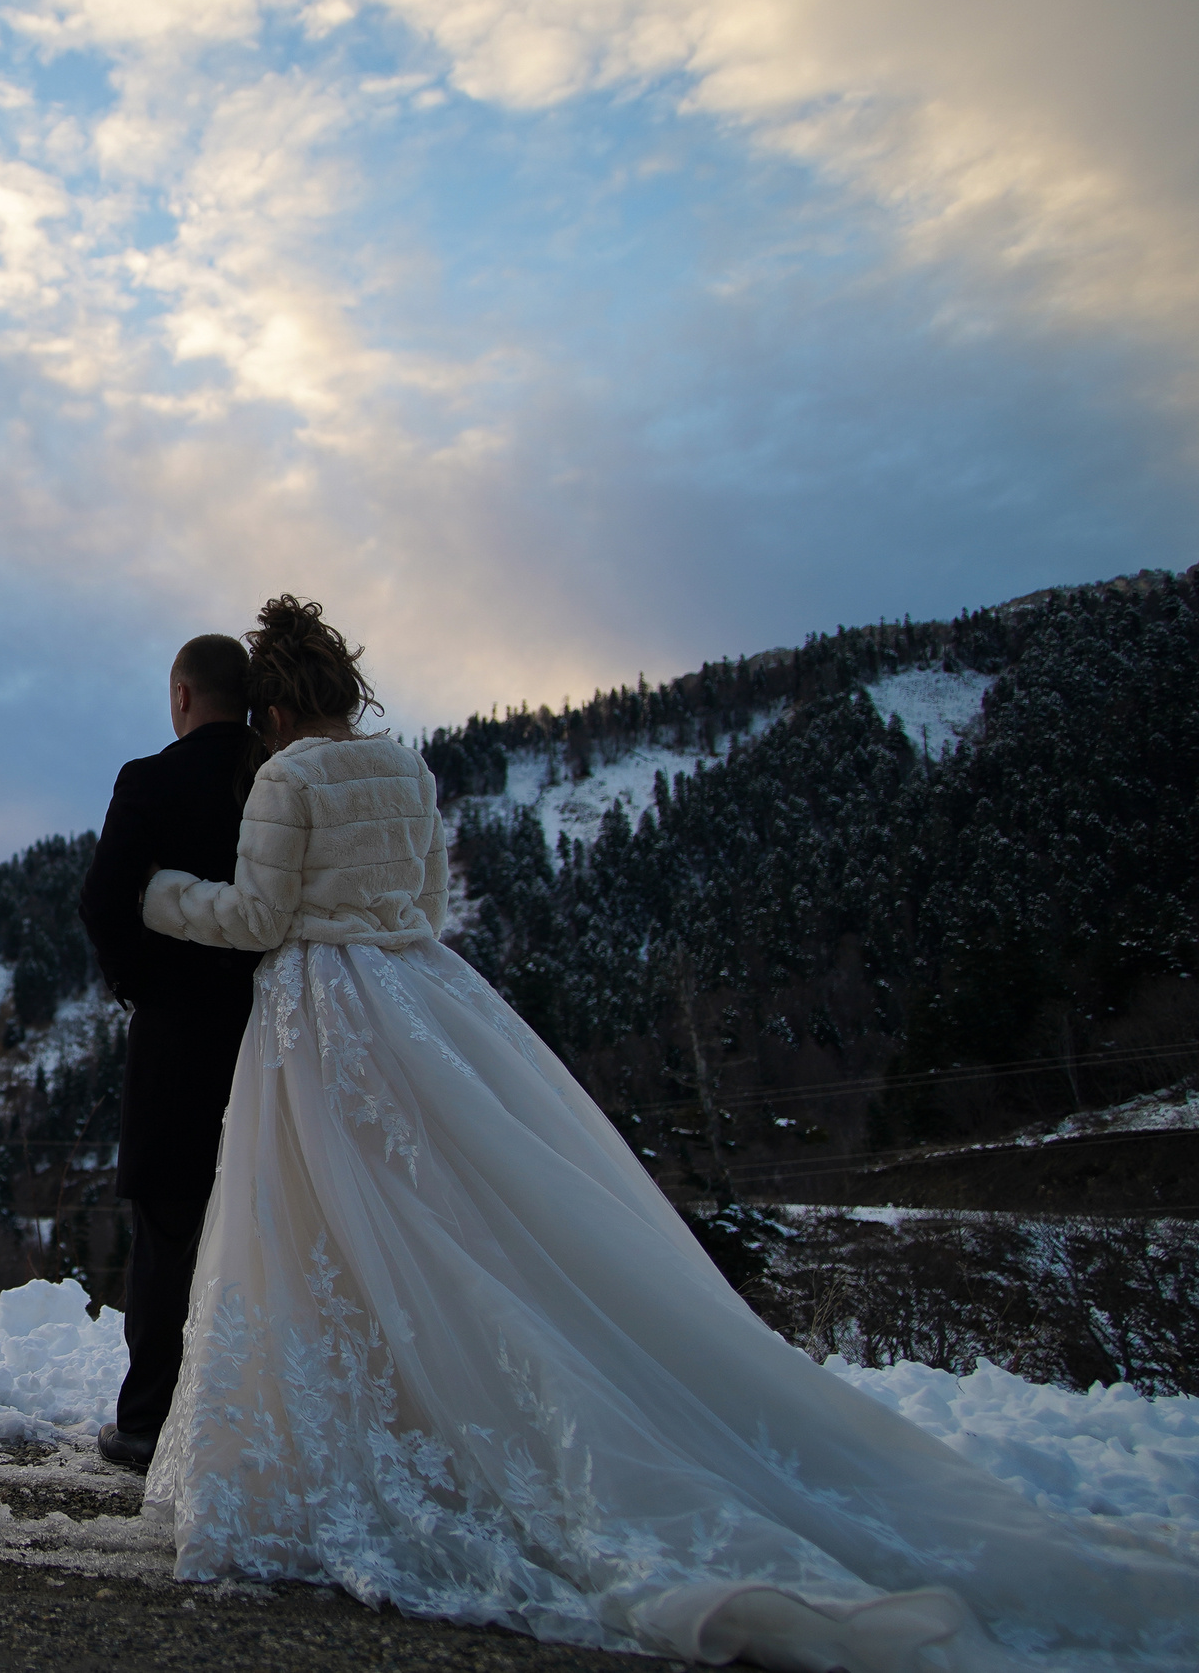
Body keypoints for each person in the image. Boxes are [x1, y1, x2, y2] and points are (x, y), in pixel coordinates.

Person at [132, 595, 1197, 1671]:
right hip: (422, 999)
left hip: (323, 1013)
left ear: (269, 702)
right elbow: (427, 900)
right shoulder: (405, 768)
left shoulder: (285, 778)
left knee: (325, 1220)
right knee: (457, 1212)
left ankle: (379, 1433)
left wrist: (166, 895)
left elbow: (261, 919)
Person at [77, 633, 264, 1473]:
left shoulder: (148, 780)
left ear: (183, 696)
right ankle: (258, 1414)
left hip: (178, 1035)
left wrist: (139, 984)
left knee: (168, 1224)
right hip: (274, 1027)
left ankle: (149, 1420)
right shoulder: (277, 776)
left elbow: (102, 899)